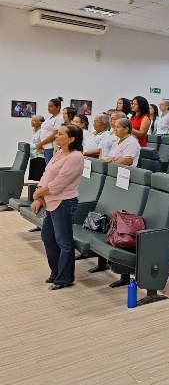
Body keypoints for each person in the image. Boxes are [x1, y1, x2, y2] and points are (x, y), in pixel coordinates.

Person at [31, 124, 84, 290]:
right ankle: (56, 272)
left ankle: (64, 278)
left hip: (64, 203)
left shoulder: (76, 157)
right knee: (47, 237)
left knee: (64, 242)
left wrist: (38, 194)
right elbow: (47, 175)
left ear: (71, 139)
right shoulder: (59, 152)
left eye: (60, 134)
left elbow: (58, 184)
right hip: (51, 201)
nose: (55, 136)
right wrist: (40, 195)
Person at [36, 97, 64, 164]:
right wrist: (40, 145)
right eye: (48, 106)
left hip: (50, 147)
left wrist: (40, 144)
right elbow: (42, 131)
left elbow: (54, 135)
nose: (48, 108)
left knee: (50, 168)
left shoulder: (60, 118)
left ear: (58, 108)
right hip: (44, 146)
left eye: (51, 106)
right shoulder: (50, 117)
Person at [28, 115, 46, 181]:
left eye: (34, 120)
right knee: (34, 179)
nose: (32, 122)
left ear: (41, 123)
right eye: (32, 120)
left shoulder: (42, 131)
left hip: (39, 157)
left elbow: (40, 144)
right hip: (34, 157)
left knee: (38, 179)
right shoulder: (36, 130)